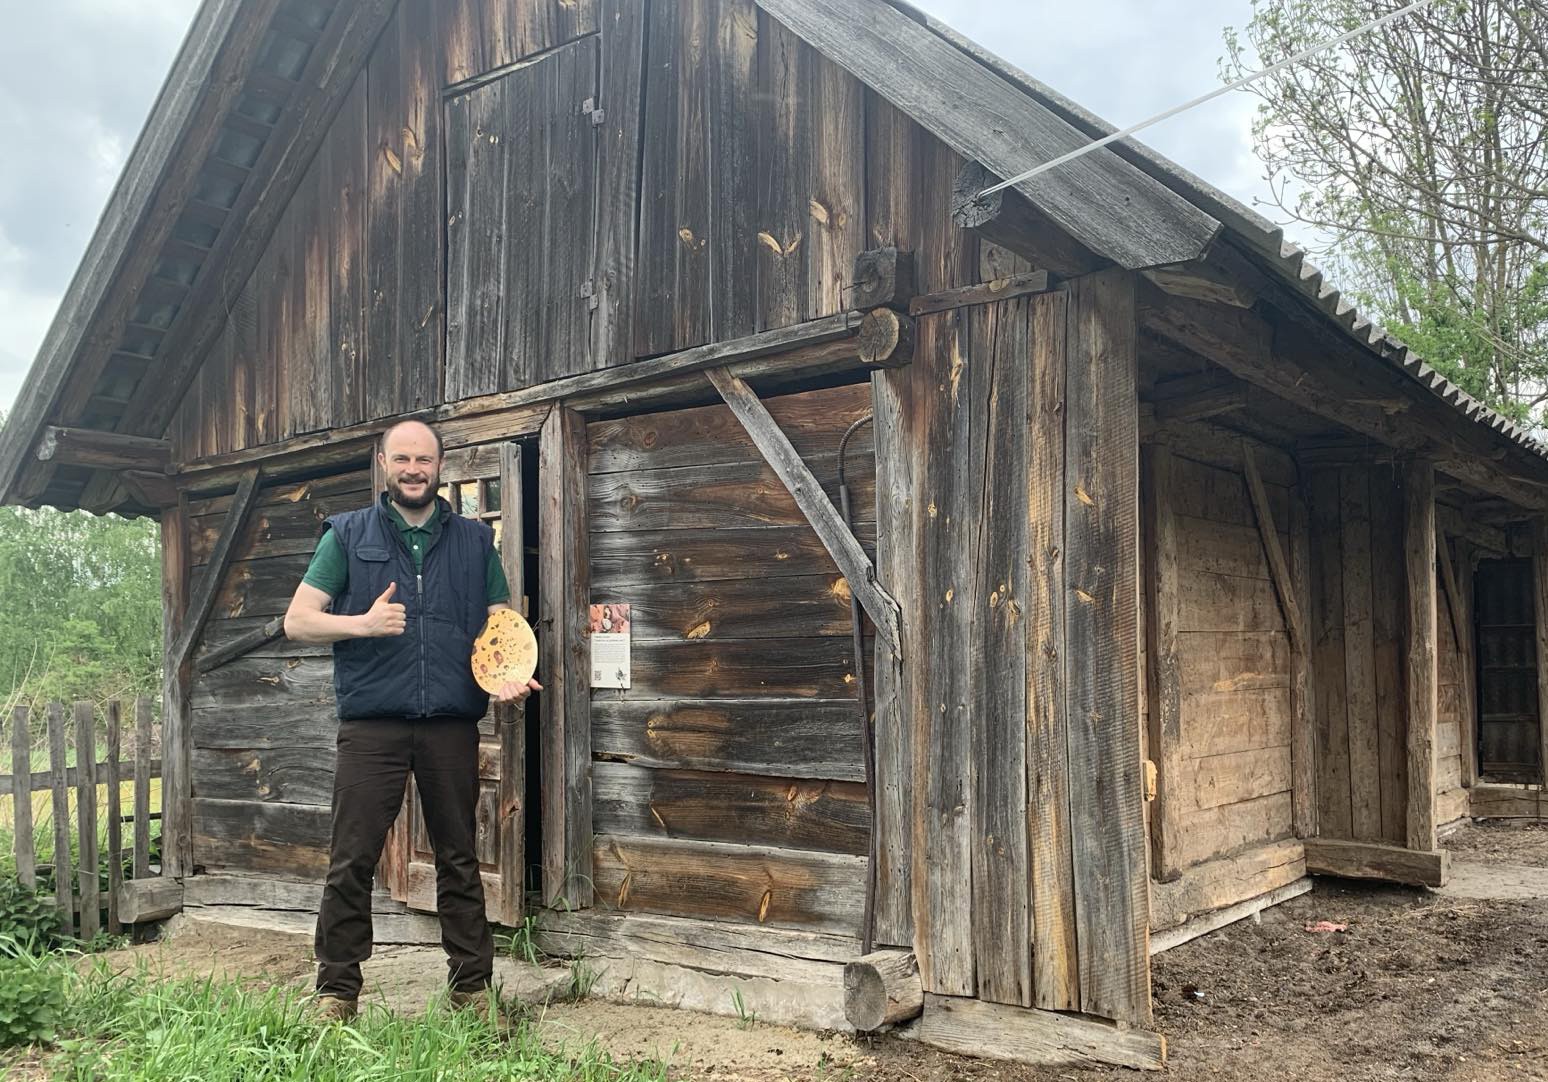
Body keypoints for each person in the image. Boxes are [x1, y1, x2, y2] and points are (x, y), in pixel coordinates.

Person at [283, 419, 540, 1023]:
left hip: (451, 722)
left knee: (458, 856)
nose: (413, 469)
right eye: (402, 458)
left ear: (440, 465)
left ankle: (472, 991)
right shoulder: (346, 535)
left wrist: (506, 677)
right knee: (352, 858)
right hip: (372, 725)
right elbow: (298, 620)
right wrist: (361, 624)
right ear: (382, 462)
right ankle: (336, 993)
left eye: (424, 459)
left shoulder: (476, 541)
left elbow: (499, 623)